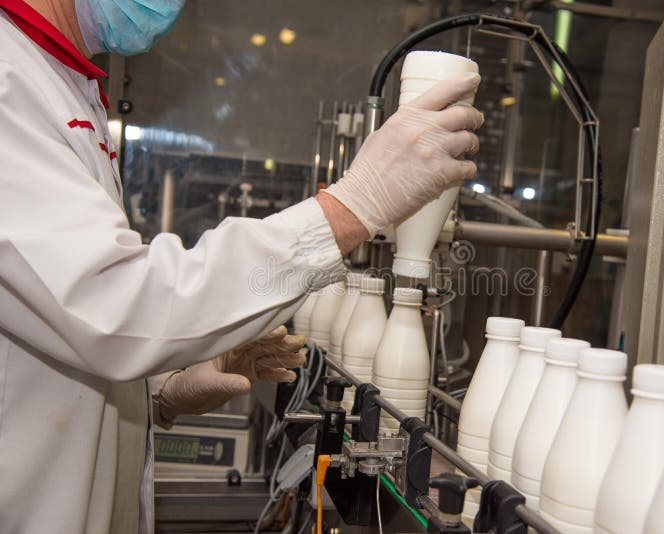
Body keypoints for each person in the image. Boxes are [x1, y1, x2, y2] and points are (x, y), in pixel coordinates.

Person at [0, 0, 483, 532]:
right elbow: (109, 302)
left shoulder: (61, 80)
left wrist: (164, 390)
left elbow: (55, 307)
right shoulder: (9, 77)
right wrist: (354, 206)